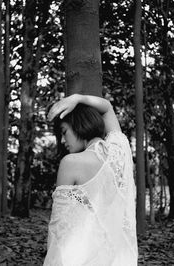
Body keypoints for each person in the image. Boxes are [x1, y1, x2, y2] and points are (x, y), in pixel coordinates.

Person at [44, 94, 138, 266]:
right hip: (122, 258)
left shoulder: (71, 163)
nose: (64, 141)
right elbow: (107, 107)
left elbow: (59, 229)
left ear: (78, 125)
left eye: (64, 132)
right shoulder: (120, 152)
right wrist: (77, 98)